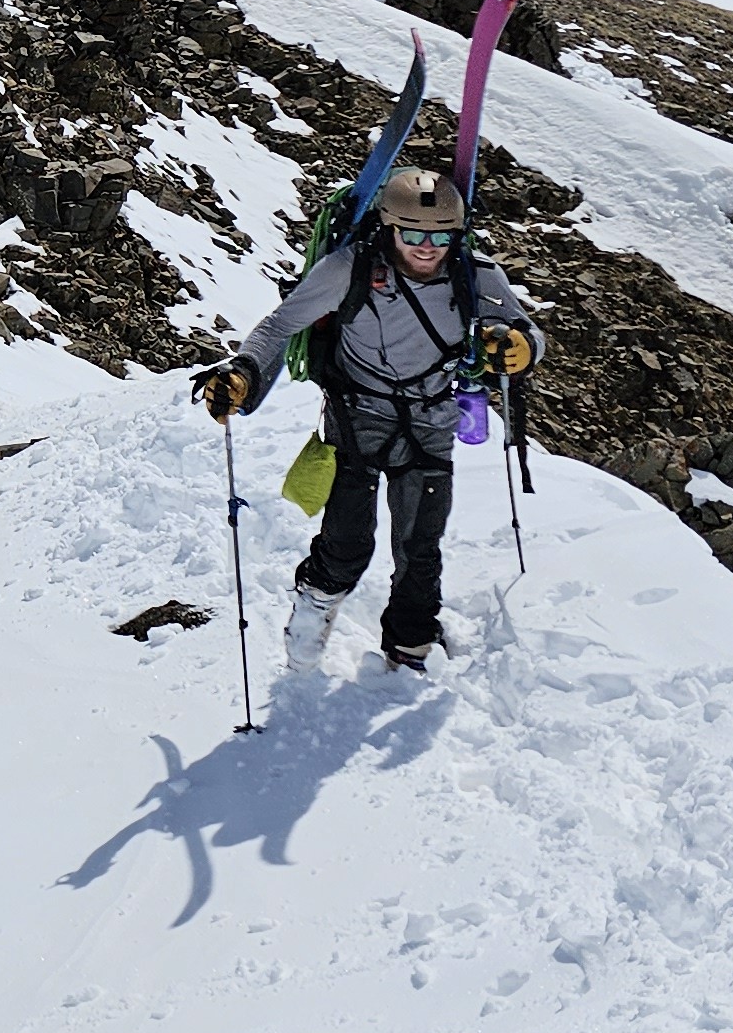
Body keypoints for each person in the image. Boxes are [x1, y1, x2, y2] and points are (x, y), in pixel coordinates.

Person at [189, 165, 539, 676]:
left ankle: (411, 645)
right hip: (356, 416)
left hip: (431, 419)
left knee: (420, 545)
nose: (428, 246)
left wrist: (522, 348)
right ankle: (315, 602)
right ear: (390, 227)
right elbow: (282, 324)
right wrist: (243, 371)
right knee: (348, 540)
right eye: (414, 233)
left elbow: (524, 328)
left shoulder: (475, 274)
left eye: (441, 234)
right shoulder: (349, 268)